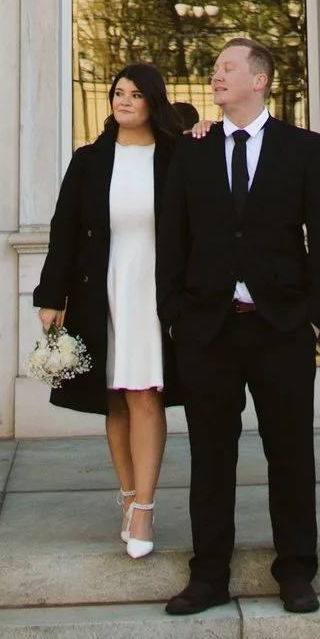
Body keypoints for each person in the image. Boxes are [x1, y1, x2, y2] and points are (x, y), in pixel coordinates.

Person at [155, 34, 320, 617]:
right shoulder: (193, 151)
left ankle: (296, 572)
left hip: (279, 325)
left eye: (227, 68)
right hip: (208, 328)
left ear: (259, 80)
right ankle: (208, 576)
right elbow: (172, 237)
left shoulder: (302, 149)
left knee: (290, 453)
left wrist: (318, 315)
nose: (216, 75)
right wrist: (174, 314)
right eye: (214, 69)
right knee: (211, 457)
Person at [33, 63, 189, 558]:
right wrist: (50, 298)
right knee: (114, 397)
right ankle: (126, 495)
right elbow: (64, 231)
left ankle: (145, 507)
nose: (123, 101)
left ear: (153, 102)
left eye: (135, 94)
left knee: (146, 394)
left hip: (153, 291)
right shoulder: (89, 160)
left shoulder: (177, 156)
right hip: (100, 289)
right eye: (117, 92)